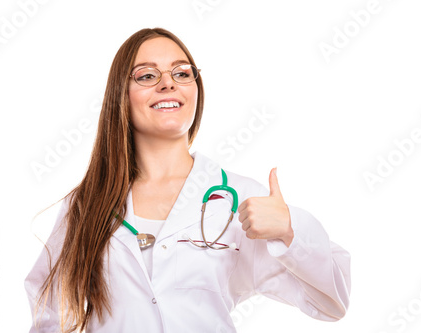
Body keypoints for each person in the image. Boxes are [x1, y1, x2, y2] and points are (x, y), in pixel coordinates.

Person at [25, 27, 351, 333]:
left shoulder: (238, 199)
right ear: (120, 96)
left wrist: (290, 228)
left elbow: (332, 302)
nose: (169, 84)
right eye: (147, 75)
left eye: (182, 73)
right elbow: (48, 312)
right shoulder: (86, 205)